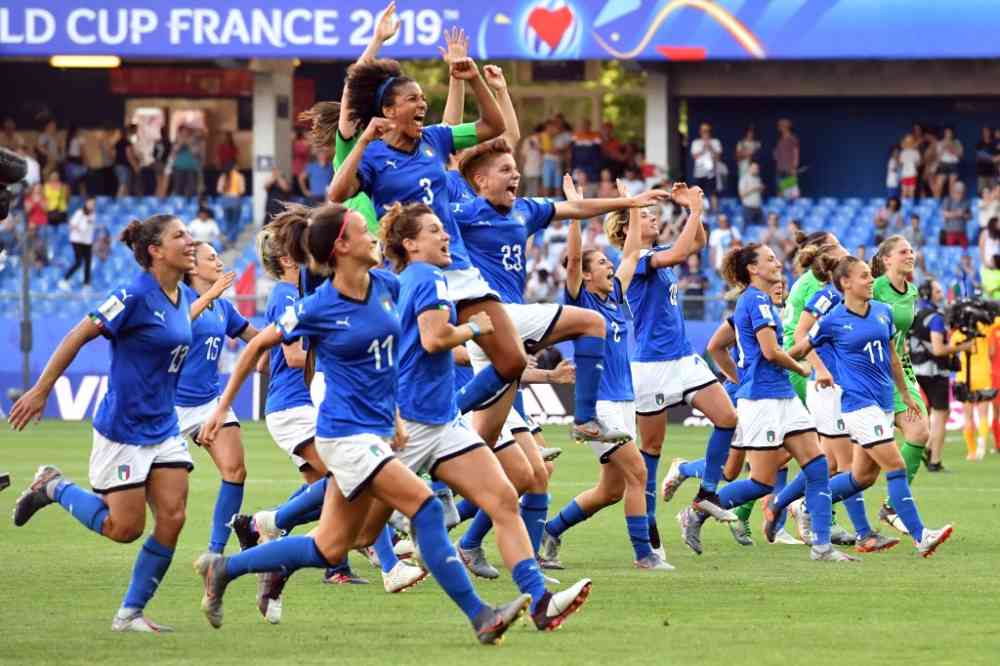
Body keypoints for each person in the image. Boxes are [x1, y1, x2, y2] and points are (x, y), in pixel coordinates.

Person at [193, 202, 532, 645]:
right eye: (361, 230)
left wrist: (393, 415)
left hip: (375, 431)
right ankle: (481, 616)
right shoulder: (317, 306)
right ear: (342, 246)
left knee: (330, 546)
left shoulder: (388, 285)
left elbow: (392, 358)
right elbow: (261, 344)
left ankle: (225, 568)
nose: (373, 236)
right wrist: (221, 409)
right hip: (343, 435)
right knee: (425, 505)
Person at [380, 200, 593, 629]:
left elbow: (437, 342)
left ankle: (538, 600)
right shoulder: (426, 277)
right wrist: (476, 329)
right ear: (411, 243)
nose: (446, 236)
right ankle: (257, 543)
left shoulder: (425, 276)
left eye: (444, 229)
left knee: (502, 500)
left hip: (442, 421)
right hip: (414, 420)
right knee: (337, 537)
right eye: (435, 231)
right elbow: (433, 339)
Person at [329, 53, 527, 452]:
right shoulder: (372, 157)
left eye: (423, 99)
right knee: (418, 369)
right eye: (412, 100)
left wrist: (474, 81)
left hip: (457, 265)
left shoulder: (435, 138)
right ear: (388, 110)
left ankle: (449, 422)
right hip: (414, 273)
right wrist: (364, 140)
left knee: (512, 360)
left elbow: (495, 126)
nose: (422, 105)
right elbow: (336, 194)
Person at [9, 213, 197, 632]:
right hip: (124, 428)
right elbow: (79, 333)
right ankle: (53, 486)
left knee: (174, 516)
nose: (190, 241)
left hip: (163, 426)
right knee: (124, 529)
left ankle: (130, 614)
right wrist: (40, 389)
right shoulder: (132, 294)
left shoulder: (180, 294)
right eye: (179, 235)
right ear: (155, 251)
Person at [688, 243, 852, 561]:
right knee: (761, 481)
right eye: (769, 259)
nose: (777, 263)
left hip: (783, 396)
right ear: (753, 269)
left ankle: (821, 546)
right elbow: (769, 352)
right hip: (762, 399)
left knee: (817, 465)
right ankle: (696, 513)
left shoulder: (764, 302)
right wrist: (801, 367)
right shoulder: (755, 300)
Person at [542, 177, 673, 571]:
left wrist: (632, 205)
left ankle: (550, 531)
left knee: (611, 489)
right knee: (637, 474)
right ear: (585, 273)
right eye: (601, 262)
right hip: (599, 406)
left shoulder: (615, 295)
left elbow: (632, 252)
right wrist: (577, 214)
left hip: (623, 401)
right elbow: (576, 254)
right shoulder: (579, 298)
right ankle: (643, 555)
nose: (609, 264)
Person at [603, 181, 738, 559]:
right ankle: (647, 529)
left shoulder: (658, 252)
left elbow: (695, 244)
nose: (653, 218)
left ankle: (707, 492)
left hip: (683, 358)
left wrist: (694, 210)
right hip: (652, 366)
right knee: (652, 449)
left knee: (728, 417)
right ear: (628, 228)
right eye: (645, 216)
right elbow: (682, 252)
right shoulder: (637, 262)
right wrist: (692, 210)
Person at [788, 255, 953, 557]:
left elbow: (892, 356)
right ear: (845, 283)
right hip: (857, 406)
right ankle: (921, 536)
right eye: (864, 276)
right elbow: (800, 347)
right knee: (897, 465)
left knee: (862, 478)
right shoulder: (832, 320)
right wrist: (781, 359)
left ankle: (808, 505)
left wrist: (904, 393)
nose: (870, 281)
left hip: (883, 402)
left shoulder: (882, 311)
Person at [175, 242, 257, 562]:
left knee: (235, 470)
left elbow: (254, 335)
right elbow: (178, 323)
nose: (220, 262)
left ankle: (215, 553)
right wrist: (210, 295)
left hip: (209, 402)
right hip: (169, 406)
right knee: (138, 495)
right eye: (212, 258)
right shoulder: (179, 298)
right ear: (193, 267)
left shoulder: (223, 308)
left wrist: (286, 339)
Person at [870, 235, 931, 534]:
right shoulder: (874, 287)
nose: (910, 255)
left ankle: (892, 506)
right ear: (886, 259)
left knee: (920, 432)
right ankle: (803, 506)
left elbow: (899, 335)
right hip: (873, 371)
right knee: (852, 466)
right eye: (903, 251)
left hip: (901, 370)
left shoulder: (912, 291)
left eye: (911, 250)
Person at [910, 279, 974, 470]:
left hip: (917, 370)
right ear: (928, 294)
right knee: (940, 416)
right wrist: (963, 346)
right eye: (937, 291)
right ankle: (934, 460)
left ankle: (928, 448)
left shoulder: (915, 314)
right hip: (935, 373)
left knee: (934, 415)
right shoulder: (936, 318)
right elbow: (938, 349)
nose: (941, 294)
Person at [952, 318, 995, 461]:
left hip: (965, 376)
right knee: (983, 414)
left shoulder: (958, 333)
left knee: (968, 416)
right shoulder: (984, 328)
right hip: (983, 375)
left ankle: (971, 451)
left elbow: (951, 354)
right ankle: (982, 443)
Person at [60, 196, 96, 289]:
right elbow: (72, 224)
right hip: (77, 240)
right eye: (90, 203)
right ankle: (64, 279)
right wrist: (77, 228)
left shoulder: (93, 215)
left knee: (88, 262)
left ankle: (86, 284)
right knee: (78, 262)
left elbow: (89, 228)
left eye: (93, 204)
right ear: (86, 203)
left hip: (87, 241)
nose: (91, 205)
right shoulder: (79, 213)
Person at [690, 123, 721, 210]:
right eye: (704, 131)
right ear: (700, 132)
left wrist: (710, 147)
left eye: (707, 131)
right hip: (699, 172)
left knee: (713, 193)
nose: (705, 133)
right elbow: (695, 157)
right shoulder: (696, 143)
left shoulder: (715, 142)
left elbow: (718, 157)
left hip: (711, 172)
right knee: (699, 193)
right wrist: (703, 148)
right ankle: (701, 211)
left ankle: (715, 212)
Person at [216, 163, 245, 239]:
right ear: (235, 167)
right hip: (235, 200)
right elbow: (242, 190)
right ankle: (232, 239)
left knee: (227, 220)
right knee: (235, 221)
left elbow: (219, 189)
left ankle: (228, 237)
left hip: (225, 200)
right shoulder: (239, 176)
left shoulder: (223, 176)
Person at [773, 118, 800, 199]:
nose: (779, 128)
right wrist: (775, 155)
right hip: (780, 169)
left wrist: (794, 167)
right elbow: (776, 155)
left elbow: (796, 152)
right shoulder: (779, 140)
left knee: (791, 192)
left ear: (786, 127)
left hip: (789, 169)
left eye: (781, 126)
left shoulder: (792, 138)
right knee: (780, 191)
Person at [934, 126, 963, 198]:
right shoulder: (940, 143)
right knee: (938, 186)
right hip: (943, 164)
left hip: (953, 164)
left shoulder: (957, 142)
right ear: (944, 133)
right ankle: (936, 203)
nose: (948, 134)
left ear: (952, 134)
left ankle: (952, 205)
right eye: (946, 132)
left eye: (950, 133)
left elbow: (960, 155)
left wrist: (951, 149)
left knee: (952, 187)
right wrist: (943, 148)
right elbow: (938, 157)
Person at [941, 180, 971, 247]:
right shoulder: (948, 200)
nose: (960, 194)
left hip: (962, 231)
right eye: (958, 192)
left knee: (965, 250)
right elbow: (944, 214)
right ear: (954, 191)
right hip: (950, 232)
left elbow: (969, 216)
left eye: (962, 192)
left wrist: (963, 214)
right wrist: (956, 214)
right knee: (950, 250)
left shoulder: (966, 202)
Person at [979, 215, 1000, 298]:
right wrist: (985, 262)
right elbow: (981, 248)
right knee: (987, 291)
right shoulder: (985, 233)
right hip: (987, 265)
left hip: (998, 265)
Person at [739, 161, 765, 226]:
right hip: (748, 207)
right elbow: (742, 195)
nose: (756, 170)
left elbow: (759, 191)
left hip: (758, 206)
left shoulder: (758, 178)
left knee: (761, 227)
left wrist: (761, 189)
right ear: (749, 168)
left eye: (757, 168)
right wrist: (753, 189)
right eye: (754, 168)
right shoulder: (744, 179)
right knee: (748, 227)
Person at [899, 134, 921, 200]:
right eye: (907, 141)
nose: (909, 143)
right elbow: (901, 164)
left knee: (911, 192)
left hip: (912, 174)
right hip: (904, 174)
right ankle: (903, 206)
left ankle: (910, 206)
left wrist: (915, 165)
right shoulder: (903, 152)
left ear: (913, 142)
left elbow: (918, 163)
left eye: (910, 141)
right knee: (904, 192)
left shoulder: (916, 152)